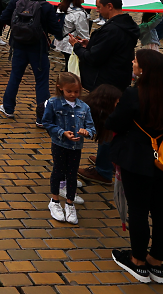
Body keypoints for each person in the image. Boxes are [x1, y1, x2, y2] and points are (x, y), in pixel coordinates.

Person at [106, 50, 163, 284]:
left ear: (144, 70)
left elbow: (115, 122)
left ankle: (138, 261)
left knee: (139, 210)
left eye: (136, 61)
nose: (132, 62)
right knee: (161, 210)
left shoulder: (134, 94)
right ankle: (156, 262)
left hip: (137, 160)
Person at [70, 0, 140, 185]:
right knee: (110, 121)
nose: (97, 10)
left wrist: (77, 48)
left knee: (106, 123)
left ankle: (103, 169)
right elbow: (110, 49)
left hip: (106, 81)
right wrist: (91, 43)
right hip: (118, 77)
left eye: (99, 7)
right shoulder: (126, 25)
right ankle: (107, 159)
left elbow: (94, 58)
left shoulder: (112, 29)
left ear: (110, 6)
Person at [0, 0, 64, 123]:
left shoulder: (16, 1)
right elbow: (56, 29)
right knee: (41, 81)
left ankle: (8, 108)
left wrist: (18, 28)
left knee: (15, 76)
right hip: (38, 49)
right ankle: (42, 117)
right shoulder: (46, 6)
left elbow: (4, 17)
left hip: (19, 45)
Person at [42, 72, 95, 225]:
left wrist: (87, 132)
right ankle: (55, 201)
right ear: (60, 88)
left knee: (72, 174)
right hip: (59, 144)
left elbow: (91, 127)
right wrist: (62, 132)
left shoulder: (84, 107)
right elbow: (47, 122)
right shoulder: (53, 103)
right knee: (58, 171)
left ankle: (70, 204)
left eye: (76, 91)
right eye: (69, 91)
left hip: (76, 147)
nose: (73, 94)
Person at [53, 0, 89, 69]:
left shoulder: (61, 8)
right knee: (72, 67)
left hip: (62, 41)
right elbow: (83, 31)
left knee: (68, 63)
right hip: (72, 44)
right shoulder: (79, 14)